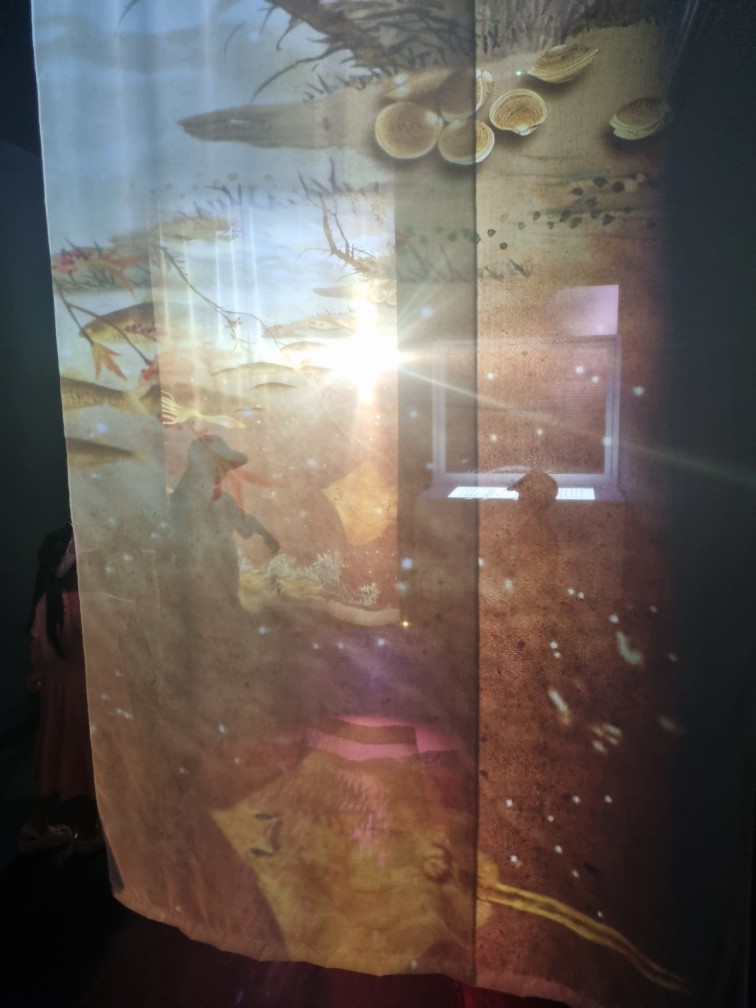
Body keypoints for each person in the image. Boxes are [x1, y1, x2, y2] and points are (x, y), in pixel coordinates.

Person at [18, 523, 103, 853]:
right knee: (83, 762)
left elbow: (38, 654)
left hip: (57, 699)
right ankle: (88, 831)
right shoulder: (86, 604)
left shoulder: (46, 604)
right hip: (84, 698)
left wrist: (43, 674)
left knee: (57, 759)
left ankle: (37, 828)